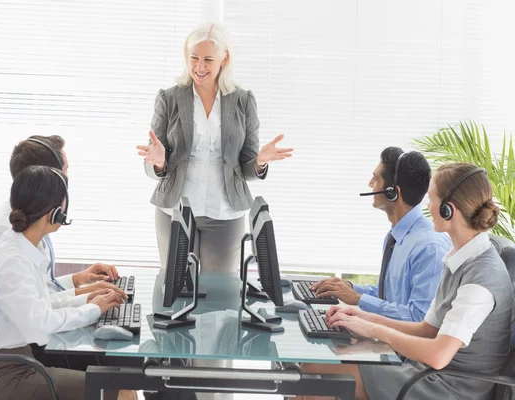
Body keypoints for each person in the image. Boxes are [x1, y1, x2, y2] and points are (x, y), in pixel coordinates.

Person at [298, 162, 514, 400]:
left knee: (315, 376)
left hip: (451, 388)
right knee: (311, 368)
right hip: (429, 374)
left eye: (431, 199)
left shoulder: (481, 280)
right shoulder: (460, 259)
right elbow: (427, 329)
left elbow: (438, 355)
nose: (426, 207)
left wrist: (376, 330)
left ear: (448, 210)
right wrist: (361, 316)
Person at [0, 165, 137, 400]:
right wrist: (93, 309)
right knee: (123, 394)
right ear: (55, 212)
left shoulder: (23, 244)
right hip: (3, 375)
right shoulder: (13, 261)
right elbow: (41, 326)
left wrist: (85, 299)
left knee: (118, 376)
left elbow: (40, 303)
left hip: (19, 361)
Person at [136, 22, 293, 274]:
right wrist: (158, 162)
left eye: (208, 59)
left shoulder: (243, 100)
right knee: (176, 288)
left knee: (221, 294)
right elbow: (153, 157)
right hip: (175, 209)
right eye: (194, 58)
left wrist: (260, 161)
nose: (199, 66)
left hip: (225, 210)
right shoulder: (169, 98)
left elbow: (247, 167)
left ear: (224, 59)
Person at [0, 135, 127, 304]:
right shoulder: (1, 230)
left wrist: (79, 279)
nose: (66, 181)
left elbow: (39, 288)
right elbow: (22, 307)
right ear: (45, 176)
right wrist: (85, 299)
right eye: (64, 172)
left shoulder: (30, 217)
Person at [311, 148, 452, 321]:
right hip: (388, 338)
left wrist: (358, 299)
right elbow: (390, 295)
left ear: (392, 193)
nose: (370, 183)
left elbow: (419, 317)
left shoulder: (430, 248)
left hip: (404, 346)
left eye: (375, 178)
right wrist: (349, 287)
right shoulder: (396, 235)